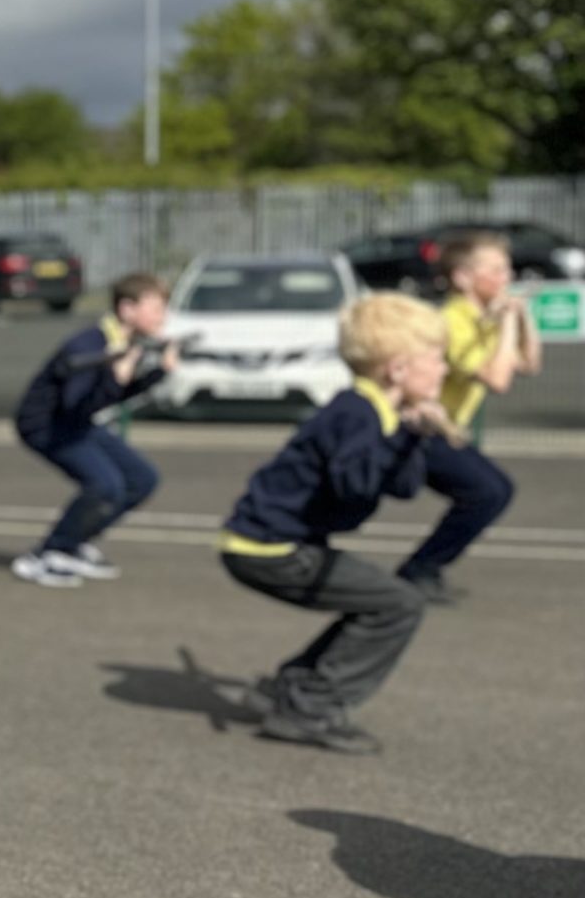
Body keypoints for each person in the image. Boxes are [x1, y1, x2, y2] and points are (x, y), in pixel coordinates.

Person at [219, 292, 452, 755]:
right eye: (436, 359)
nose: (445, 369)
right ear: (398, 369)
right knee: (398, 604)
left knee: (377, 601)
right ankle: (308, 707)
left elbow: (403, 489)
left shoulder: (379, 412)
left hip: (280, 542)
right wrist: (403, 436)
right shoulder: (356, 414)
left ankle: (289, 689)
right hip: (268, 549)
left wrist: (415, 439)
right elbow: (356, 486)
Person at [9, 273, 177, 588]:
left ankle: (76, 541)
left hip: (76, 421)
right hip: (45, 425)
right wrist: (116, 378)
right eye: (156, 308)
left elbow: (109, 398)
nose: (162, 317)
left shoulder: (121, 341)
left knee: (142, 479)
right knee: (105, 485)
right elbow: (77, 403)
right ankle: (45, 555)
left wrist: (157, 373)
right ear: (127, 309)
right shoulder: (89, 344)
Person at [396, 230, 536, 604]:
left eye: (507, 270)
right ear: (463, 278)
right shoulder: (451, 321)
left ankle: (423, 567)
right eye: (496, 270)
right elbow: (497, 379)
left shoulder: (481, 320)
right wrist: (505, 325)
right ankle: (418, 569)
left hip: (444, 428)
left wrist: (522, 317)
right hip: (417, 428)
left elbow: (529, 363)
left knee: (491, 491)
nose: (506, 278)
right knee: (488, 491)